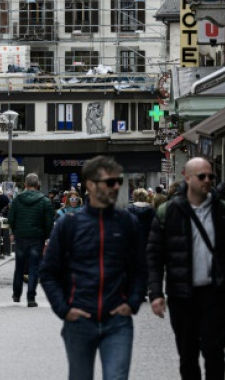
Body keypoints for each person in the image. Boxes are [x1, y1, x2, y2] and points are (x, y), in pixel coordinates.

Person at [39, 155, 146, 380]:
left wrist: (132, 302)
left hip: (117, 321)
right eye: (110, 182)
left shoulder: (127, 223)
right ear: (90, 184)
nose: (116, 187)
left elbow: (140, 268)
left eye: (118, 181)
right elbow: (48, 272)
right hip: (79, 320)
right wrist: (64, 309)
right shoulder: (69, 224)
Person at [147, 157, 225, 380]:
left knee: (214, 352)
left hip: (215, 294)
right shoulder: (168, 212)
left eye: (211, 176)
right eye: (202, 176)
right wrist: (156, 293)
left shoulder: (224, 210)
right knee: (187, 355)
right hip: (182, 295)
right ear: (187, 178)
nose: (207, 180)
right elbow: (154, 256)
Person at [8, 173, 53, 307]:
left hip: (21, 237)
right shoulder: (45, 201)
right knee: (34, 267)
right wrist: (46, 236)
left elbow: (11, 218)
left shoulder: (17, 199)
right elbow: (49, 222)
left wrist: (13, 232)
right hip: (37, 238)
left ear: (25, 184)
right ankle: (31, 298)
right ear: (38, 184)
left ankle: (16, 294)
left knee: (19, 266)